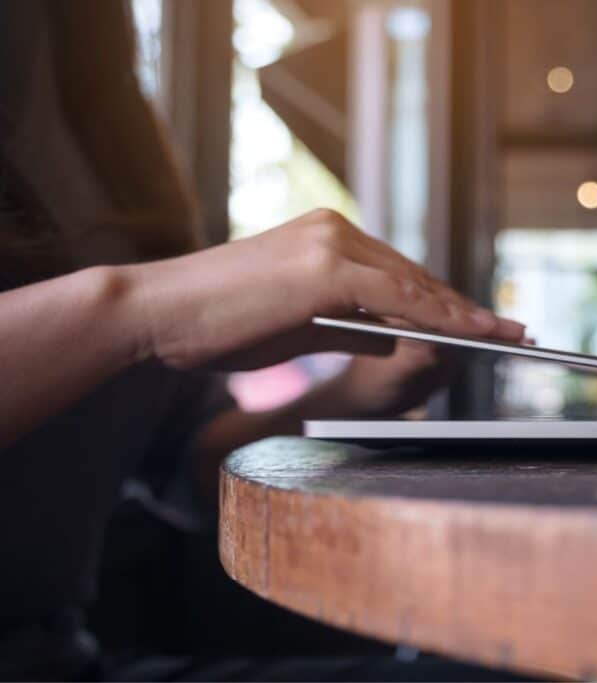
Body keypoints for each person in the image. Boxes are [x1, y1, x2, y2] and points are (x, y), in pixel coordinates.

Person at [0, 1, 524, 679]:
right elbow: (139, 322)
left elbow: (189, 461)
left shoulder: (95, 103)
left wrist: (356, 396)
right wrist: (134, 309)